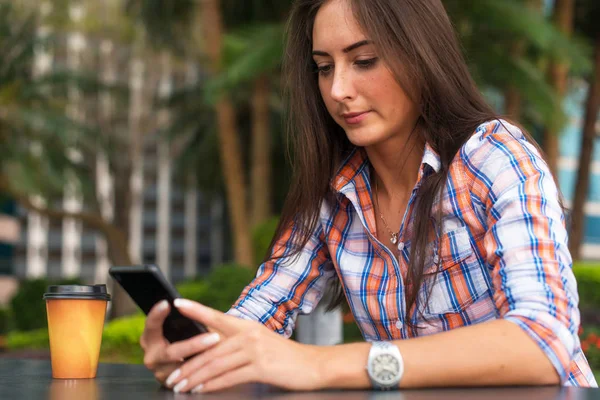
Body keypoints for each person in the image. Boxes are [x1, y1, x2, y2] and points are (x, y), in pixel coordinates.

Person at [139, 0, 598, 393]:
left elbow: (546, 340)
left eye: (364, 61)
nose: (339, 90)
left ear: (422, 56)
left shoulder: (496, 159)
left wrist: (323, 365)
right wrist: (194, 355)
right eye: (323, 67)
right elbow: (256, 322)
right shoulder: (333, 195)